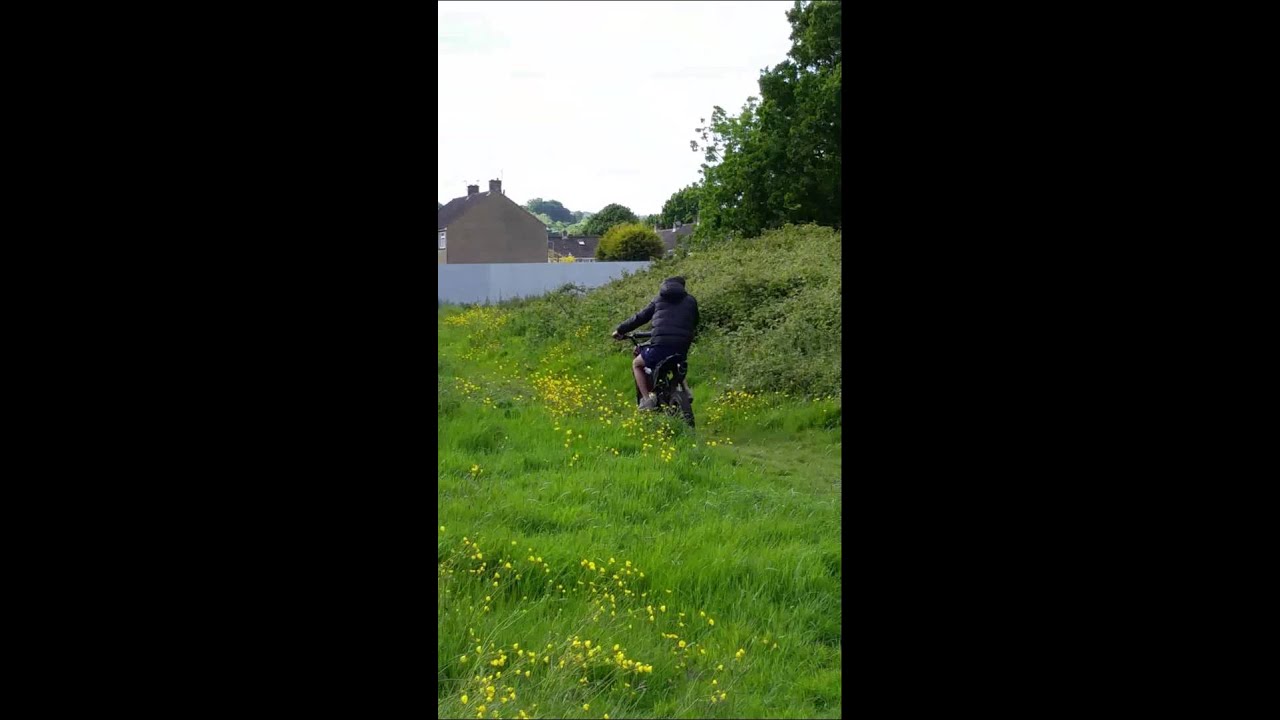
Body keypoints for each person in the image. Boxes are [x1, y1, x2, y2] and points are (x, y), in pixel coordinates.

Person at [612, 276, 699, 410]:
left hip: (661, 344)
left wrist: (620, 330)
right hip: (683, 345)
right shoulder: (691, 300)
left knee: (637, 364)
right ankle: (686, 390)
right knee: (677, 360)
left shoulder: (659, 299)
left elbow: (640, 317)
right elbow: (695, 321)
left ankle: (647, 401)